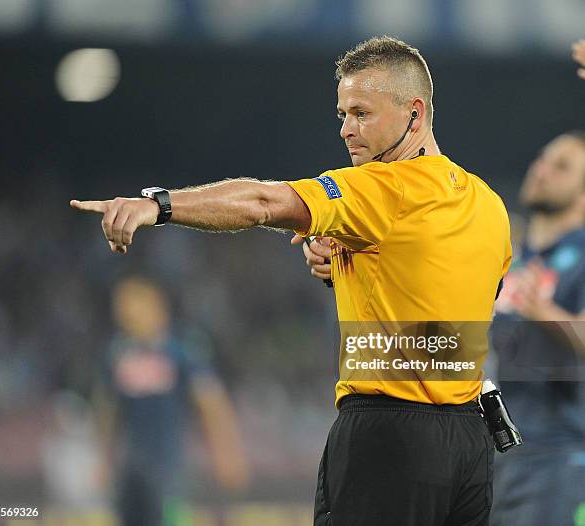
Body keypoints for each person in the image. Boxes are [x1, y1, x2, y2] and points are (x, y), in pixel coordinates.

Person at [71, 36, 512, 525]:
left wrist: (159, 204)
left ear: (414, 111)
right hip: (470, 445)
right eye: (342, 114)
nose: (347, 129)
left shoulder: (382, 185)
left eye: (362, 114)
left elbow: (263, 202)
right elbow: (451, 295)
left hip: (390, 435)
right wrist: (350, 264)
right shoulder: (487, 203)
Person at [94, 275, 249, 526]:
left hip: (169, 468)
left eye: (131, 303)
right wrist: (102, 459)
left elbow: (212, 403)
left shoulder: (181, 349)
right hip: (131, 468)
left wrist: (227, 453)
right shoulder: (117, 353)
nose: (124, 312)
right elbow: (107, 409)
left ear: (155, 304)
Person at [487, 132, 585, 526]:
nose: (541, 169)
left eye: (561, 167)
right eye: (542, 159)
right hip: (501, 454)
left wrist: (542, 309)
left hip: (560, 456)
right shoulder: (514, 259)